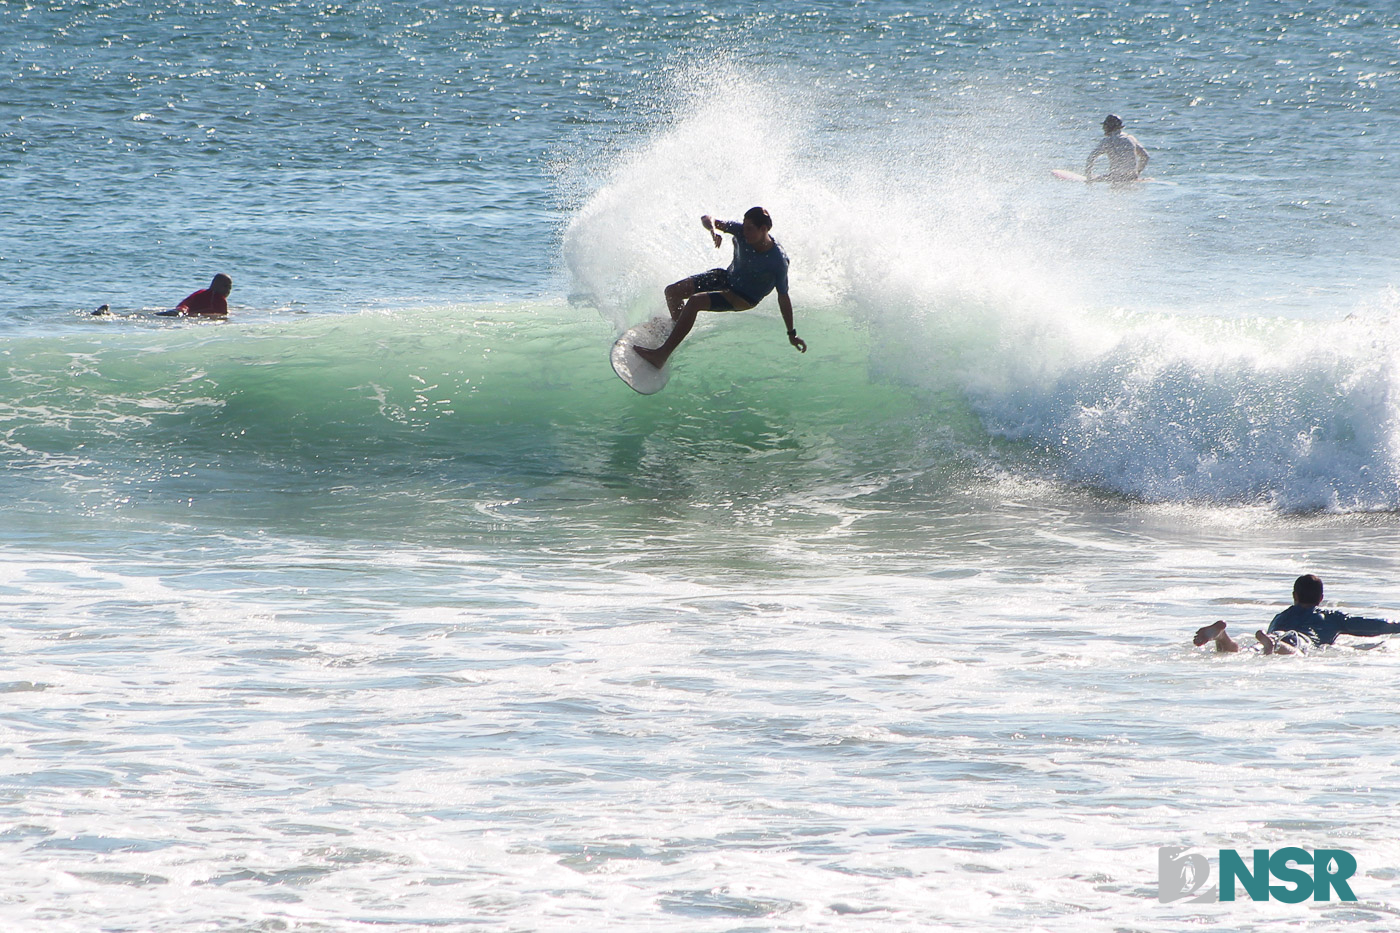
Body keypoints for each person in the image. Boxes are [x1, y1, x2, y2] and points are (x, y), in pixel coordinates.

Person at [634, 207, 805, 369]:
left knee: (694, 302)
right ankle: (676, 329)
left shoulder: (778, 261)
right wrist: (712, 230)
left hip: (743, 297)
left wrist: (792, 333)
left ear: (764, 229)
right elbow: (708, 219)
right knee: (672, 292)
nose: (744, 232)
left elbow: (783, 296)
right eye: (744, 227)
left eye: (750, 229)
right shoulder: (741, 231)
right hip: (727, 277)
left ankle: (661, 356)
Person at [1193, 574, 1400, 655]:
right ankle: (1272, 645)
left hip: (1278, 632)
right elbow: (1374, 626)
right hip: (1299, 640)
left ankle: (1222, 637)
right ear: (1321, 598)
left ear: (1294, 595)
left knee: (1247, 651)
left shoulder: (1281, 615)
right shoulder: (1330, 616)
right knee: (1292, 649)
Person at [1084, 114, 1149, 186]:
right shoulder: (1130, 138)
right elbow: (1145, 156)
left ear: (1108, 127)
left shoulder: (1108, 141)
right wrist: (1137, 172)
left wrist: (1089, 177)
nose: (1103, 128)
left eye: (1104, 126)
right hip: (1131, 177)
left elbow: (1091, 157)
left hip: (1116, 178)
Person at [158, 273, 232, 316]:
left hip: (177, 311)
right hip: (182, 314)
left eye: (229, 287)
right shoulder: (219, 299)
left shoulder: (201, 292)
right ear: (215, 285)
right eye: (225, 286)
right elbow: (222, 317)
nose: (227, 290)